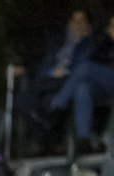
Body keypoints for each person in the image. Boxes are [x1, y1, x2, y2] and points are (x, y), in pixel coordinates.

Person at [15, 8, 92, 154]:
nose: (78, 24)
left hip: (68, 83)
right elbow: (44, 65)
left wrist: (66, 72)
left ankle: (52, 143)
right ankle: (40, 139)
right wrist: (31, 70)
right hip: (47, 81)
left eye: (82, 21)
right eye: (75, 21)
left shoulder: (90, 43)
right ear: (69, 23)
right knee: (23, 101)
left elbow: (86, 67)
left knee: (52, 104)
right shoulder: (57, 41)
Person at [49, 12, 114, 154]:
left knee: (84, 67)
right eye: (110, 26)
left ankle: (59, 103)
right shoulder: (105, 43)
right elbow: (97, 59)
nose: (110, 28)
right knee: (82, 88)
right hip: (106, 85)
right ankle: (83, 139)